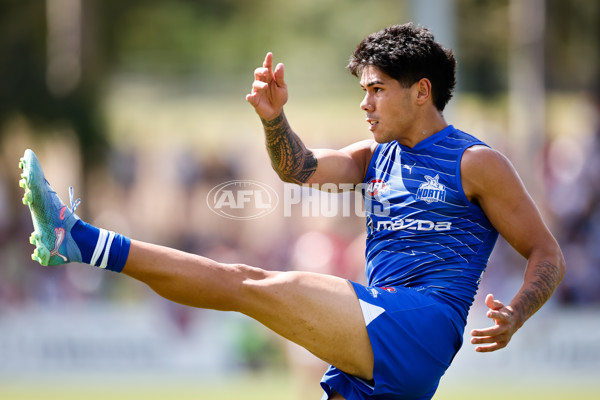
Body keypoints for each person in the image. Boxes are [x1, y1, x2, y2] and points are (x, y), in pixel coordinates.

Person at [19, 23, 565, 400]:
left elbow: (547, 254)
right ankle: (79, 242)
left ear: (421, 92)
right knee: (245, 284)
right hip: (380, 342)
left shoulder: (475, 162)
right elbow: (298, 167)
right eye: (363, 90)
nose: (364, 103)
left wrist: (516, 314)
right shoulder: (373, 156)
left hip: (419, 327)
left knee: (246, 283)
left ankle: (79, 240)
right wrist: (273, 119)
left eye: (376, 89)